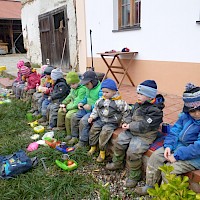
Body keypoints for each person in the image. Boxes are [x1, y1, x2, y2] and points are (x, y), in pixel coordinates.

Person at [135, 83, 200, 195]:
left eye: (199, 109)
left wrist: (177, 155)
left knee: (170, 170)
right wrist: (169, 146)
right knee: (155, 157)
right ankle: (150, 185)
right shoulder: (185, 116)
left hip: (195, 156)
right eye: (192, 111)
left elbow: (198, 147)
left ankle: (166, 194)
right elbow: (174, 131)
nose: (197, 113)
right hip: (179, 146)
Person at [106, 80, 165, 188]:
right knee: (120, 142)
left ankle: (135, 175)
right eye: (138, 93)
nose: (138, 96)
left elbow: (145, 125)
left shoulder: (155, 111)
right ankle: (117, 162)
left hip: (145, 135)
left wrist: (130, 126)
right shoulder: (138, 104)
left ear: (150, 96)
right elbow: (130, 113)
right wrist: (126, 122)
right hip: (132, 129)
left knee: (133, 151)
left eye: (141, 94)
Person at [87, 78, 130, 162]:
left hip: (112, 122)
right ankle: (93, 146)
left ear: (114, 91)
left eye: (107, 92)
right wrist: (92, 117)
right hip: (101, 119)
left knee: (104, 133)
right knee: (94, 129)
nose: (104, 94)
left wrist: (124, 122)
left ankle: (102, 152)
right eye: (103, 92)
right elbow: (96, 109)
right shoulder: (101, 100)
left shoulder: (119, 102)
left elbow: (126, 111)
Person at [68, 71, 102, 146]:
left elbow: (101, 104)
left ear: (94, 81)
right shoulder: (88, 88)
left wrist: (91, 107)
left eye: (87, 84)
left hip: (94, 112)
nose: (86, 86)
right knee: (74, 117)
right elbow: (86, 97)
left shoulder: (100, 89)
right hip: (86, 108)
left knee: (83, 121)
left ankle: (83, 142)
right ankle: (74, 136)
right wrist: (82, 102)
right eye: (85, 84)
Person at [53, 72, 86, 140]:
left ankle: (69, 134)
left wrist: (66, 107)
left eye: (73, 84)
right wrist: (64, 103)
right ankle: (61, 128)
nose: (71, 86)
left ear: (78, 82)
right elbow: (69, 96)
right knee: (60, 111)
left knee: (68, 115)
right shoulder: (73, 88)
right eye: (70, 85)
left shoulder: (82, 89)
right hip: (71, 105)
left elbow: (77, 102)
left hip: (78, 107)